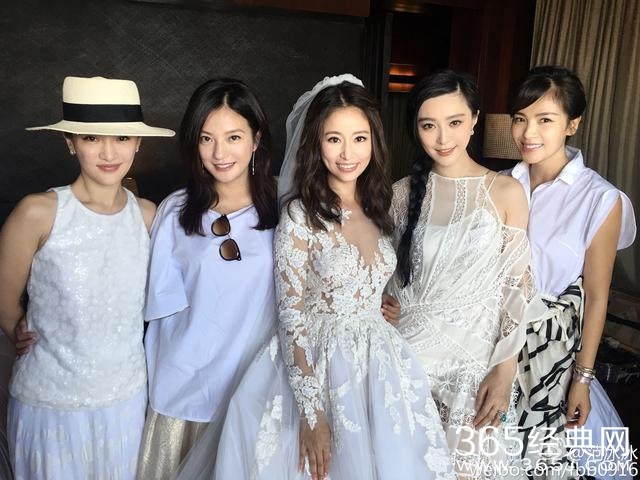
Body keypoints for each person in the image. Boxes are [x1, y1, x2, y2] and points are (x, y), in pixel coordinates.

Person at [174, 74, 454, 480]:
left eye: (359, 138)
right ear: (316, 143)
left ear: (373, 142)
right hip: (318, 364)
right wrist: (311, 413)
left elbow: (367, 279)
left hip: (379, 364)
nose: (347, 153)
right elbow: (291, 315)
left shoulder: (380, 206)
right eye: (334, 139)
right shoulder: (300, 216)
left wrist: (378, 301)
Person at [0, 75, 175, 479]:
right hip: (49, 406)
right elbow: (4, 301)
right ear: (70, 142)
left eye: (121, 138)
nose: (109, 152)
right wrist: (14, 327)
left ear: (138, 142)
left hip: (126, 402)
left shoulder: (149, 217)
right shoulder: (37, 213)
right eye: (92, 138)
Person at [385, 69, 546, 477]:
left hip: (472, 368)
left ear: (475, 119)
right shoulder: (400, 194)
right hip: (406, 361)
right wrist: (385, 303)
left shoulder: (505, 192)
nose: (443, 138)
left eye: (455, 122)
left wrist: (505, 368)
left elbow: (516, 288)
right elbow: (387, 275)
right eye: (429, 125)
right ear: (415, 128)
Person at [136, 78, 279, 480]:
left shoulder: (285, 210)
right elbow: (159, 309)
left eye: (233, 137)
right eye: (206, 138)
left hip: (254, 388)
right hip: (185, 389)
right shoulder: (175, 211)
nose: (220, 153)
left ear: (256, 139)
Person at [508, 65, 636, 478]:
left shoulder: (600, 199)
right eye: (520, 118)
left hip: (555, 361)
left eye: (545, 119)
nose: (528, 132)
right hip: (495, 351)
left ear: (572, 124)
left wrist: (582, 378)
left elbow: (597, 296)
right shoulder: (501, 183)